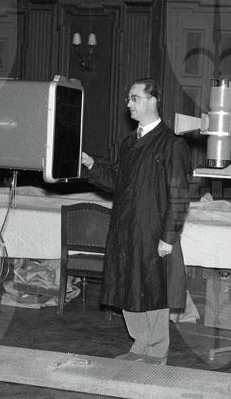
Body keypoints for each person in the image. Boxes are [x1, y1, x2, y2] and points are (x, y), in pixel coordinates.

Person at [80, 78, 191, 365]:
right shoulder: (129, 143)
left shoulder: (172, 144)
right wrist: (91, 165)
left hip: (153, 231)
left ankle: (157, 351)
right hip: (125, 229)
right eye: (129, 98)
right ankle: (140, 344)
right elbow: (116, 183)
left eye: (134, 98)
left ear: (153, 101)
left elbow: (179, 195)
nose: (128, 104)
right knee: (126, 285)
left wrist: (169, 237)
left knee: (154, 289)